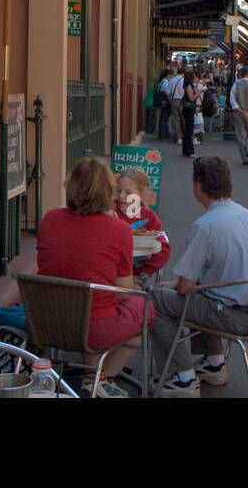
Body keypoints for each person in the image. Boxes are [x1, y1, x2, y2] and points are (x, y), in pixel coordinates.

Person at [151, 157, 248, 397]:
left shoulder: (205, 225)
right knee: (205, 292)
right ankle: (214, 363)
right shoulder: (245, 213)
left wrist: (168, 286)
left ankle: (182, 377)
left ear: (198, 186)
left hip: (233, 315)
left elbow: (185, 287)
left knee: (156, 299)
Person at [37, 158, 151, 397]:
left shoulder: (49, 219)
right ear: (107, 191)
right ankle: (101, 376)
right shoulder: (118, 229)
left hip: (47, 322)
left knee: (92, 300)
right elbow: (123, 289)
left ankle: (93, 372)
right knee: (147, 307)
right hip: (94, 327)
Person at [114, 168, 171, 281]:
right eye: (119, 190)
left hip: (135, 275)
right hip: (110, 274)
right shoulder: (109, 209)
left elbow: (164, 249)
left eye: (128, 193)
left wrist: (144, 274)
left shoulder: (149, 217)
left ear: (142, 195)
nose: (121, 196)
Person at [229, 66, 248, 166]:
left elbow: (232, 101)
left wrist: (241, 111)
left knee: (241, 136)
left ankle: (244, 158)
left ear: (240, 74)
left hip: (239, 113)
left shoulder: (235, 85)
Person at [181, 71, 201, 158]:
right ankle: (190, 151)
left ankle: (186, 150)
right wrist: (199, 93)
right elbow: (191, 98)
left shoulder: (188, 86)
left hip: (187, 109)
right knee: (189, 130)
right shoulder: (188, 86)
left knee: (187, 130)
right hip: (188, 109)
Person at [168, 66, 187, 145]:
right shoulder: (183, 81)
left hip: (173, 101)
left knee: (176, 120)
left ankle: (178, 138)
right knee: (185, 119)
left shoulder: (171, 80)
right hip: (182, 101)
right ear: (183, 74)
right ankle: (187, 137)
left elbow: (168, 92)